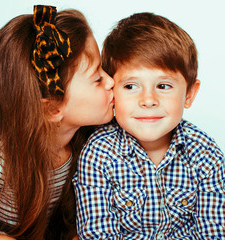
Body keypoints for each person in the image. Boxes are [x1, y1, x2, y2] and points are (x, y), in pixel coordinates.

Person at [0, 5, 114, 240]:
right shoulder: (0, 158)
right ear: (53, 108)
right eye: (97, 77)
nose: (112, 81)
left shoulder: (91, 148)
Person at [73, 12, 225, 239]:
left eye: (163, 86)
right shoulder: (99, 154)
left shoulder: (205, 154)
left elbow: (213, 231)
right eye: (131, 86)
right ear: (112, 90)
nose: (148, 100)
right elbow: (97, 232)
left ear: (189, 94)